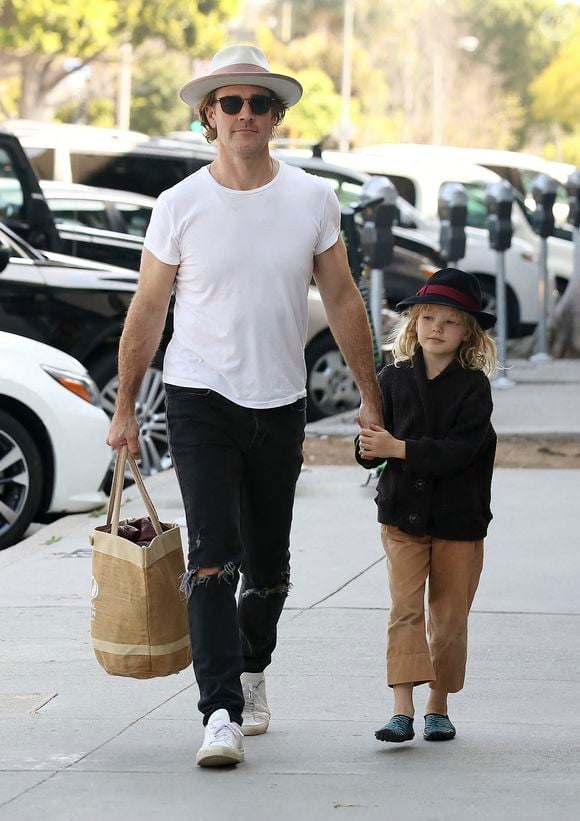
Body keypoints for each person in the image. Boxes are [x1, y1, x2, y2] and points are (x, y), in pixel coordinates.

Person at [107, 43, 382, 768]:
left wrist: (371, 397)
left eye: (261, 103)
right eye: (232, 102)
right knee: (211, 561)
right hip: (201, 397)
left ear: (277, 117)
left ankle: (252, 667)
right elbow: (148, 309)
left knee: (270, 571)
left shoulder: (311, 199)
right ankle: (220, 710)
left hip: (280, 400)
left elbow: (345, 298)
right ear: (209, 115)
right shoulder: (180, 205)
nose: (247, 114)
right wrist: (125, 406)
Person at [355, 267, 497, 744]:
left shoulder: (473, 388)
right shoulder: (391, 379)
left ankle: (438, 703)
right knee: (405, 610)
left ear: (468, 333)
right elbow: (373, 443)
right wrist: (369, 447)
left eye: (450, 321)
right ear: (413, 322)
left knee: (450, 617)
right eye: (428, 317)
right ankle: (402, 709)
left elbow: (461, 451)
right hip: (402, 515)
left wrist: (400, 449)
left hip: (459, 518)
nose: (436, 328)